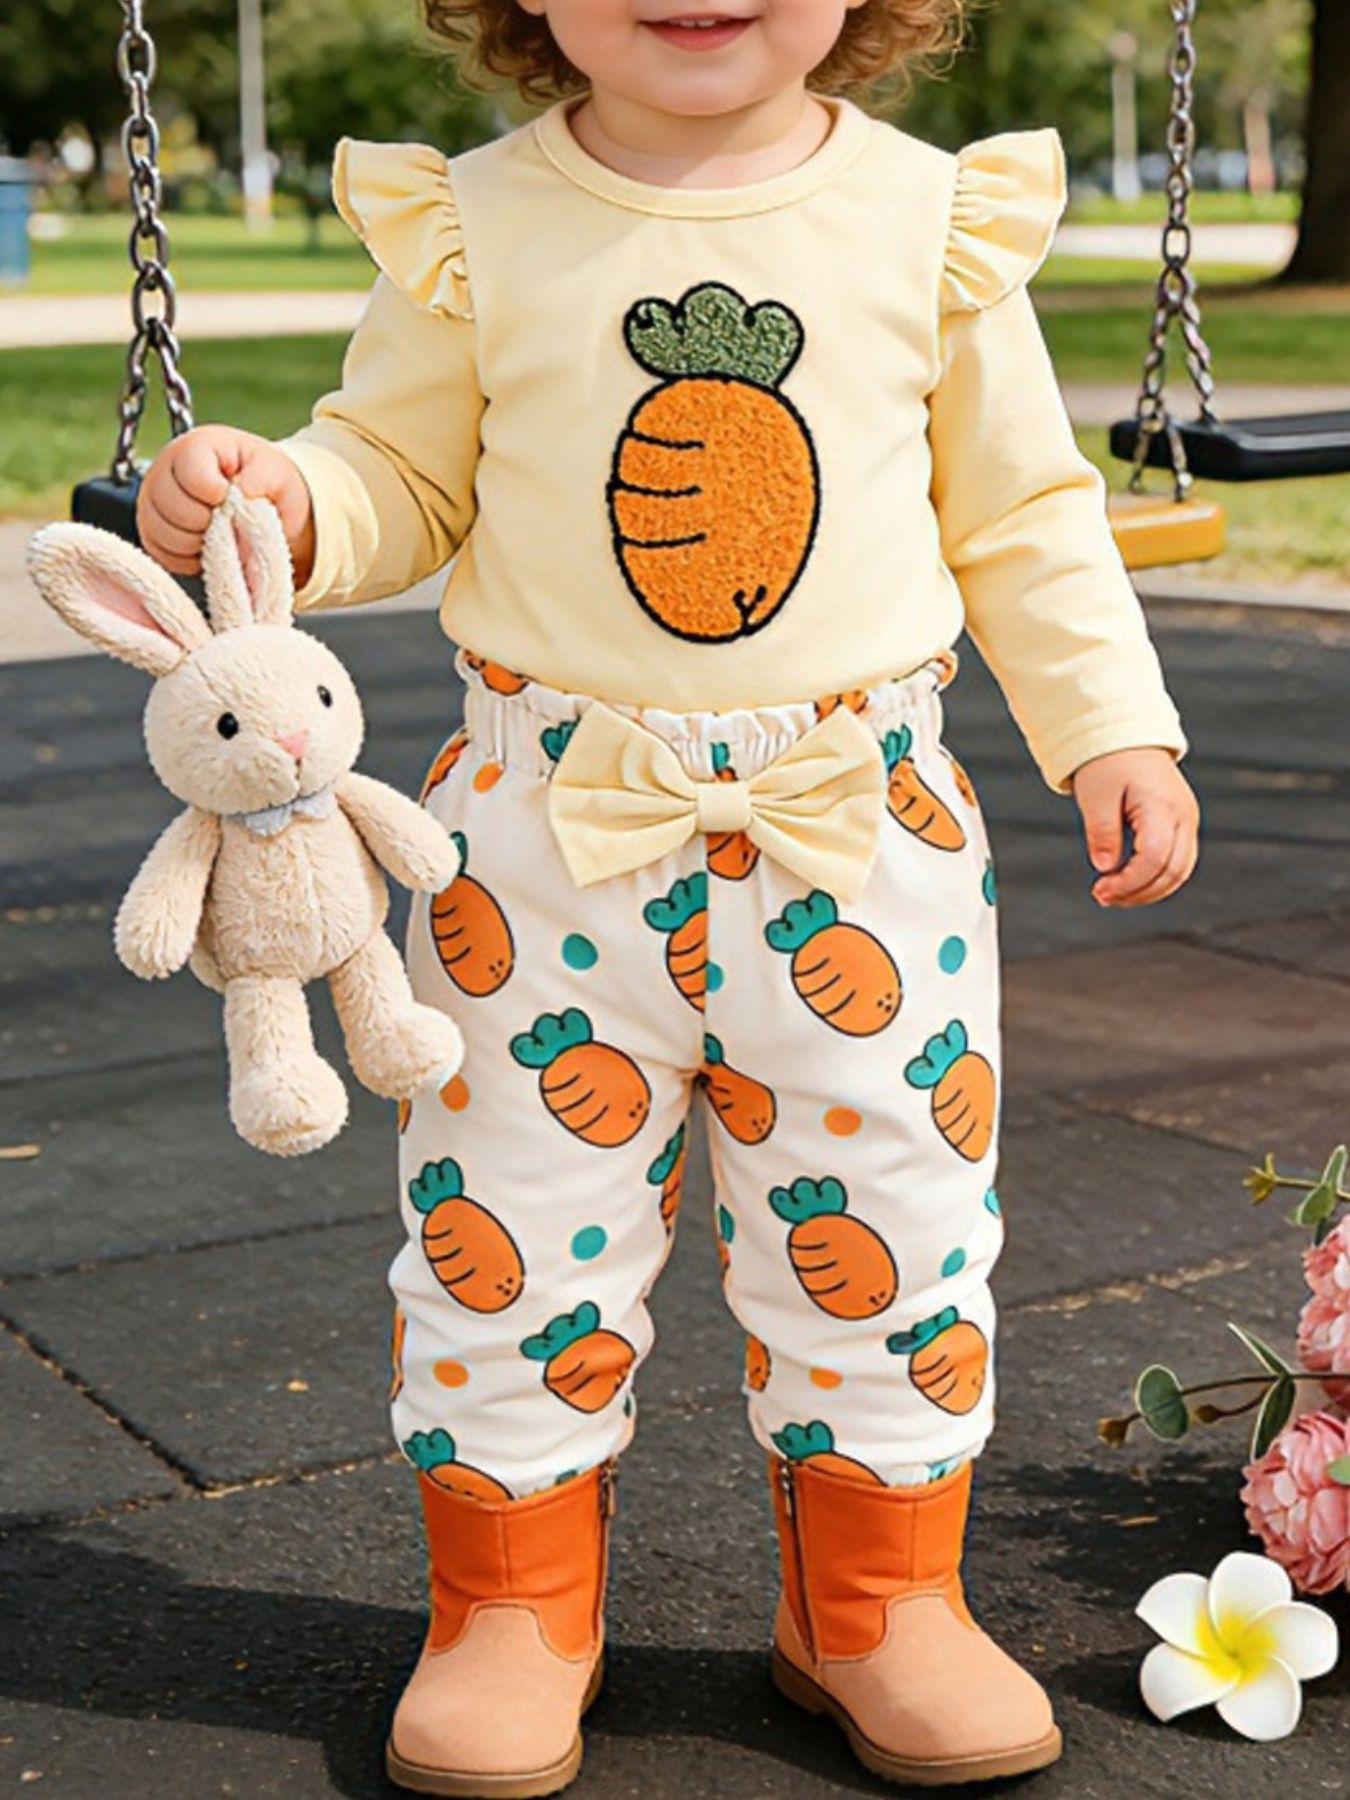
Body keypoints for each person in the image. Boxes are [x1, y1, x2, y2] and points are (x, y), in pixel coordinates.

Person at [137, 0, 1199, 1790]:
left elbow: (1021, 510)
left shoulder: (930, 220)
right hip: (537, 851)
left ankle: (875, 1607)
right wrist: (285, 506)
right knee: (507, 1228)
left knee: (893, 1234)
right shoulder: (475, 224)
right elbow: (399, 473)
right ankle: (510, 1613)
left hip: (857, 838)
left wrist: (1110, 726)